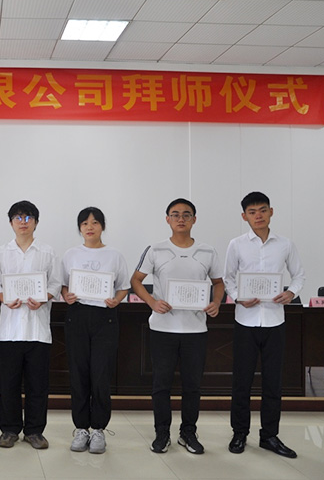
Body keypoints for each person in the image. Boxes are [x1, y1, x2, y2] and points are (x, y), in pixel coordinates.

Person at [130, 198, 224, 455]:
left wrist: (216, 302)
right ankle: (162, 433)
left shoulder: (207, 251)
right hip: (163, 329)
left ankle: (188, 433)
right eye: (175, 214)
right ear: (167, 219)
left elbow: (218, 282)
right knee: (161, 385)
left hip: (195, 330)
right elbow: (136, 280)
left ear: (194, 219)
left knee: (193, 386)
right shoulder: (155, 249)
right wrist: (152, 302)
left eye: (186, 214)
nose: (181, 219)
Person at [223, 192, 304, 459]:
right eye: (252, 211)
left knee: (273, 382)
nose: (258, 215)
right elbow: (228, 278)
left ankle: (269, 435)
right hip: (245, 321)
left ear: (271, 212)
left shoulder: (286, 244)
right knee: (241, 382)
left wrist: (291, 292)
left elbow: (299, 275)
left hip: (274, 320)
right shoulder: (236, 244)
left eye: (262, 210)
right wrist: (239, 297)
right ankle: (239, 433)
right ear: (244, 216)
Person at [0, 201, 62, 450]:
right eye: (18, 217)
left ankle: (34, 431)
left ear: (36, 222)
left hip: (38, 330)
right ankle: (9, 430)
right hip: (9, 330)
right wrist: (5, 298)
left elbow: (55, 284)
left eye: (28, 217)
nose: (23, 222)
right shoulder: (1, 253)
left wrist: (43, 298)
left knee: (37, 385)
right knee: (9, 383)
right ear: (11, 223)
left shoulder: (48, 252)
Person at [61, 207, 129, 454]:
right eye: (85, 223)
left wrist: (117, 300)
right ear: (80, 228)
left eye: (95, 223)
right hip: (77, 316)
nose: (90, 227)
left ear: (102, 226)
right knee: (78, 374)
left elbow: (123, 286)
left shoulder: (114, 255)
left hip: (105, 317)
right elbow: (63, 286)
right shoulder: (70, 254)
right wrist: (66, 296)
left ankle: (99, 429)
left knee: (101, 375)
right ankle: (81, 429)